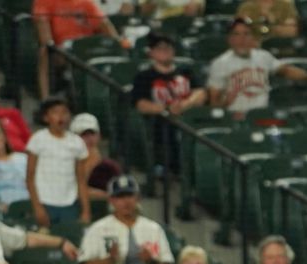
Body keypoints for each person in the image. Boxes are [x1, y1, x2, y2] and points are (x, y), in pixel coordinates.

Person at [210, 18, 307, 116]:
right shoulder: (220, 64)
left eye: (246, 34)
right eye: (237, 34)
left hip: (262, 115)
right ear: (230, 39)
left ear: (252, 37)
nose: (242, 39)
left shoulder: (262, 56)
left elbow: (286, 71)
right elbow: (214, 102)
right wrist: (226, 109)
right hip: (235, 116)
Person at [78, 175, 174, 264]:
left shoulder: (154, 229)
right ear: (111, 200)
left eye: (129, 195)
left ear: (138, 198)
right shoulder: (98, 229)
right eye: (120, 196)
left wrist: (151, 262)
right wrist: (110, 260)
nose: (126, 201)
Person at [132, 32, 207, 167]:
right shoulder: (144, 76)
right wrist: (167, 108)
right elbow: (141, 104)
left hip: (190, 120)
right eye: (159, 48)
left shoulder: (186, 71)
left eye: (167, 48)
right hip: (161, 124)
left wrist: (185, 104)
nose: (164, 51)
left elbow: (201, 93)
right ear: (151, 53)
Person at [32, 0, 122, 99]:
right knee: (44, 51)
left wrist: (118, 43)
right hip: (62, 52)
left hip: (88, 49)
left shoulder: (86, 2)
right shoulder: (44, 2)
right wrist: (58, 49)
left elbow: (106, 26)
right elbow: (46, 40)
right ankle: (46, 99)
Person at [26, 96, 91, 228]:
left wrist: (86, 211)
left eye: (64, 112)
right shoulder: (38, 139)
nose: (61, 117)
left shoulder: (77, 143)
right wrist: (37, 207)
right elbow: (30, 178)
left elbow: (81, 180)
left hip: (69, 204)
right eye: (55, 112)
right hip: (44, 202)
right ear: (46, 117)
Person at [72, 113, 123, 202]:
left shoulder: (110, 167)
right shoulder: (66, 165)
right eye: (83, 135)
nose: (89, 138)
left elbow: (121, 196)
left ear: (99, 136)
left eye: (92, 134)